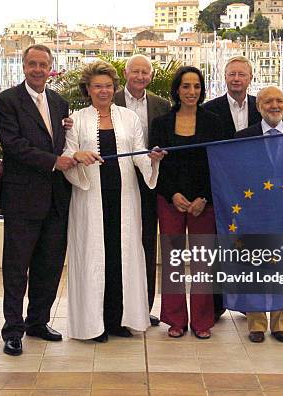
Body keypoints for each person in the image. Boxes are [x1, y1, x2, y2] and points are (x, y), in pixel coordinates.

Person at [62, 60, 165, 342]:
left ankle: (118, 319)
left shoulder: (128, 118)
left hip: (124, 199)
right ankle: (93, 325)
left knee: (121, 257)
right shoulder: (77, 119)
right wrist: (77, 157)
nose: (104, 91)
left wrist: (151, 159)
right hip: (90, 199)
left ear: (114, 87)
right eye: (98, 86)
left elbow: (138, 153)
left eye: (108, 86)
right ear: (88, 89)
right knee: (96, 258)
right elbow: (68, 155)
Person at [0, 44, 76, 356]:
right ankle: (13, 330)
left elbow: (64, 141)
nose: (38, 69)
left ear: (51, 67)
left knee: (50, 265)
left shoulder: (59, 102)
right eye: (32, 64)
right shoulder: (7, 101)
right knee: (16, 269)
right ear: (23, 66)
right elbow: (13, 145)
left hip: (56, 198)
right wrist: (54, 162)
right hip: (22, 198)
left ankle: (38, 321)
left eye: (43, 64)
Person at [150, 66, 224, 339]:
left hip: (204, 202)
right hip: (170, 200)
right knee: (173, 260)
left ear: (202, 90)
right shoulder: (161, 124)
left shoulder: (214, 122)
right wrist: (173, 195)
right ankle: (175, 319)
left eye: (196, 86)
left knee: (203, 262)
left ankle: (202, 320)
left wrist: (203, 197)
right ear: (177, 90)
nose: (191, 91)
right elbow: (158, 166)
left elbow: (218, 164)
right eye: (186, 86)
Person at [235, 86, 283, 343]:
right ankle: (256, 324)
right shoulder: (243, 137)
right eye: (268, 101)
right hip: (255, 212)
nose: (274, 105)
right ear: (258, 106)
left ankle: (282, 324)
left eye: (279, 101)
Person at [202, 56, 261, 321]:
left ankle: (250, 302)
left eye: (241, 74)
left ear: (250, 78)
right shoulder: (209, 110)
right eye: (231, 74)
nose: (236, 79)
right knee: (218, 246)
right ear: (225, 77)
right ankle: (216, 306)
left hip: (255, 190)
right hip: (221, 188)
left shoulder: (263, 106)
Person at [114, 54, 171, 326]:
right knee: (118, 243)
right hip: (117, 182)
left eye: (144, 72)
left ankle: (144, 307)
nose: (140, 76)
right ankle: (116, 306)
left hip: (150, 182)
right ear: (126, 73)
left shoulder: (162, 105)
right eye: (135, 71)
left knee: (147, 244)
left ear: (150, 76)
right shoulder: (109, 99)